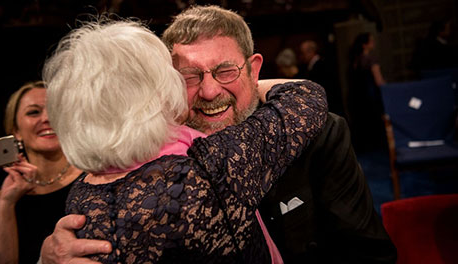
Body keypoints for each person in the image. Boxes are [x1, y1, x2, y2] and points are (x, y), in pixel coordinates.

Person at [40, 5, 397, 264]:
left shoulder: (322, 133)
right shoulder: (146, 165)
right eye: (190, 77)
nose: (210, 92)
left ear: (254, 68)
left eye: (226, 71)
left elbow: (369, 254)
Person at [0, 81, 83, 264]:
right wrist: (7, 204)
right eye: (33, 112)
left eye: (54, 110)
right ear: (16, 131)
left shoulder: (94, 177)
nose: (47, 118)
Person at [347, 32, 387, 152]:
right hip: (371, 96)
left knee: (364, 124)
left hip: (358, 97)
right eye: (371, 41)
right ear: (365, 45)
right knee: (376, 123)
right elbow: (379, 81)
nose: (373, 43)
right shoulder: (371, 59)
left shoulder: (355, 60)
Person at [300, 40, 343, 116]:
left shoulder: (321, 65)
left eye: (303, 53)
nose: (302, 57)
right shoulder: (313, 65)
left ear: (311, 52)